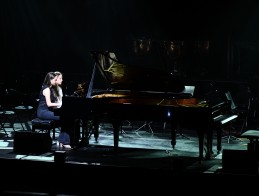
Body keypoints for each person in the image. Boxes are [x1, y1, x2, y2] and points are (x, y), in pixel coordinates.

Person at [37, 71, 71, 149]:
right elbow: (49, 104)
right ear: (50, 80)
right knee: (64, 118)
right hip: (43, 112)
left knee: (66, 118)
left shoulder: (51, 89)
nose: (56, 81)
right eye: (55, 80)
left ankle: (62, 140)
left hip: (48, 111)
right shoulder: (46, 89)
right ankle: (64, 141)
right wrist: (60, 104)